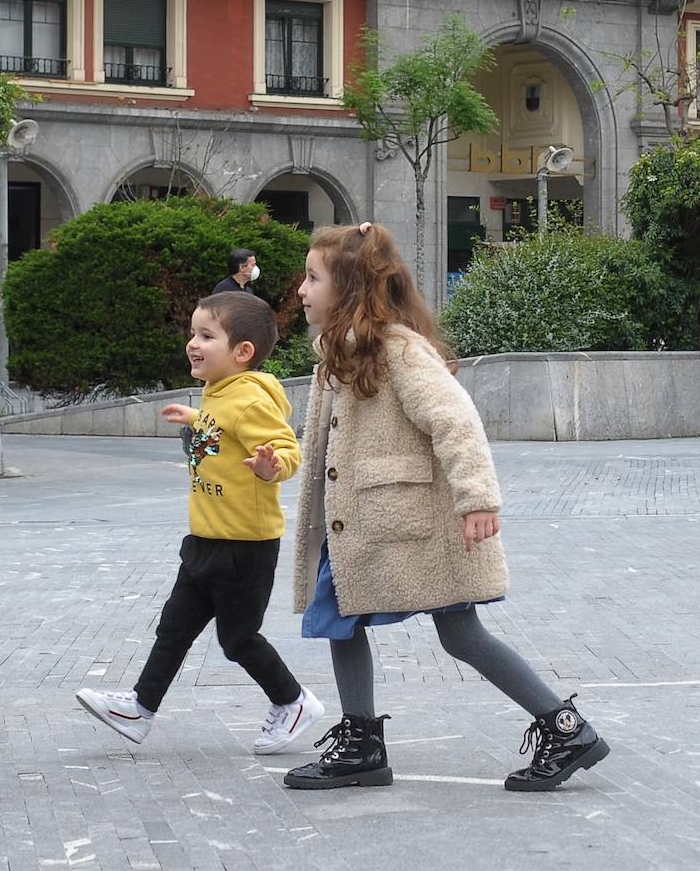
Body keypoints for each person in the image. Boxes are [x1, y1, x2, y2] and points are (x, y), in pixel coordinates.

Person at [283, 222, 610, 792]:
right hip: (364, 524)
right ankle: (362, 743)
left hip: (410, 524)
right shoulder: (338, 353)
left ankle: (564, 726)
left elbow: (455, 421)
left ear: (352, 287)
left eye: (313, 278)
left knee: (457, 633)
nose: (302, 290)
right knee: (341, 617)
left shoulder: (398, 349)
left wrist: (476, 500)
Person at [76, 292, 324, 753]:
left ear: (242, 352)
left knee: (238, 639)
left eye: (206, 336)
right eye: (193, 333)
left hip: (244, 546)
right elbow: (220, 427)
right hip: (205, 539)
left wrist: (273, 466)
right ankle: (139, 709)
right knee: (173, 627)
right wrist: (194, 416)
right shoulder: (219, 393)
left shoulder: (250, 399)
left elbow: (288, 448)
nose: (193, 343)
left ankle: (293, 702)